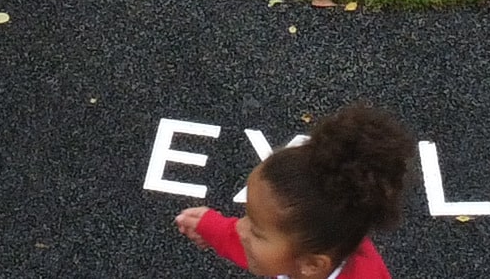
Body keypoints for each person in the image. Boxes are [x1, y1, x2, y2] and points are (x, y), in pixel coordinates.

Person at [173, 101, 409, 279]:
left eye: (256, 232)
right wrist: (211, 227)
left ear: (312, 265)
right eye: (249, 218)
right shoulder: (309, 246)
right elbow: (258, 245)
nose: (240, 229)